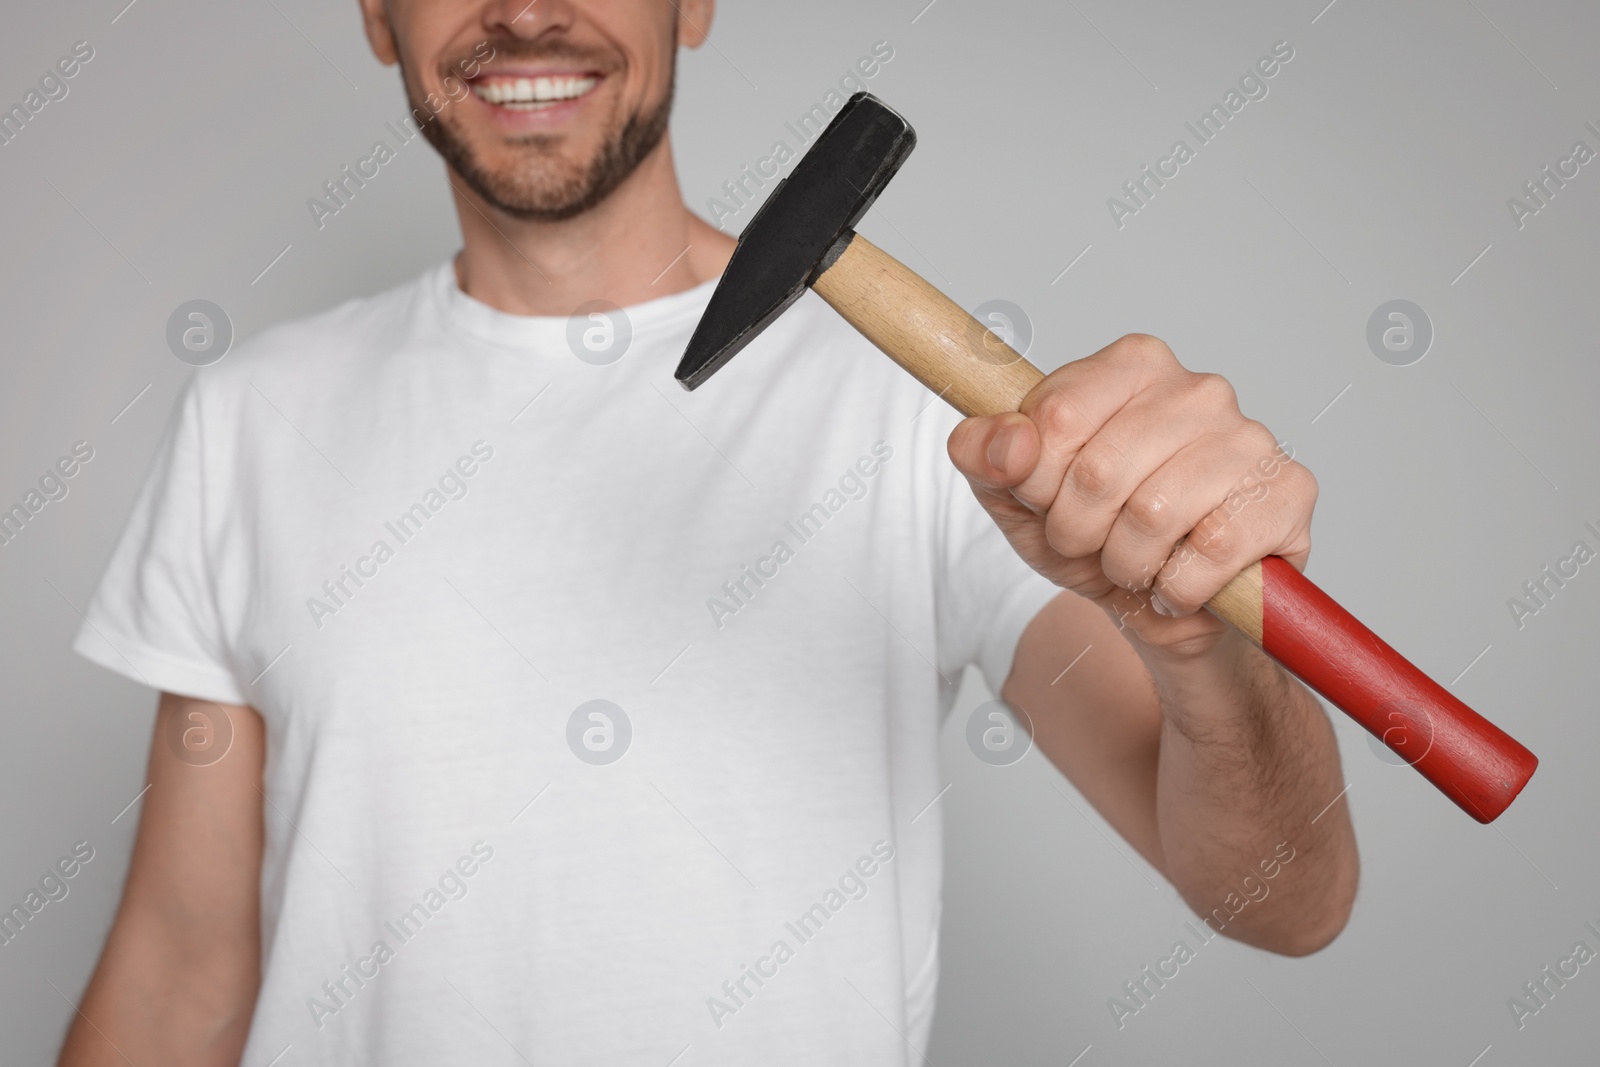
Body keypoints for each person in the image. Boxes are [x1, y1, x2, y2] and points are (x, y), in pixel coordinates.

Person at [59, 1, 1357, 1063]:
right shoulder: (252, 417)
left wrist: (1203, 647)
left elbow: (1282, 900)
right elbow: (179, 974)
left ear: (696, 2)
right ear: (374, 14)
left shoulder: (929, 423)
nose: (522, 13)